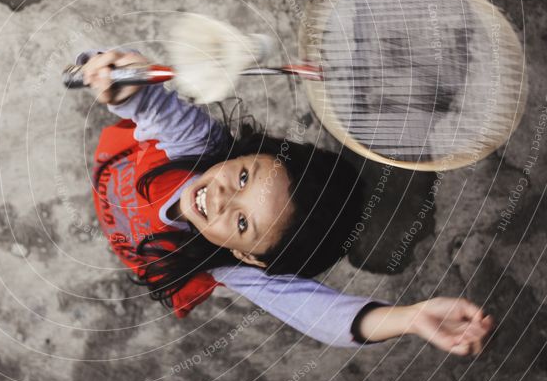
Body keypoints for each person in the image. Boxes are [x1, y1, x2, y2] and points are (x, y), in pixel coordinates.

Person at [81, 48, 494, 355]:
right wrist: (115, 76)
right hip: (115, 173)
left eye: (243, 225)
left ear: (249, 259)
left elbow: (321, 315)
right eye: (243, 176)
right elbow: (149, 101)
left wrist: (410, 318)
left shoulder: (230, 268)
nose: (223, 197)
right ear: (246, 153)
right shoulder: (197, 144)